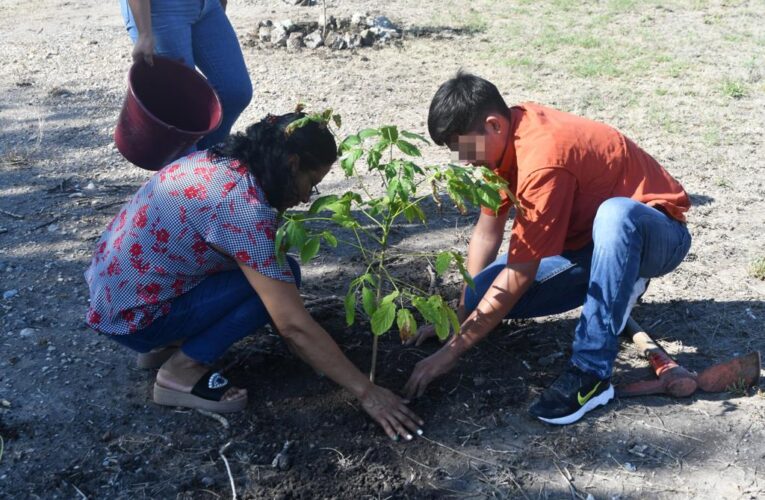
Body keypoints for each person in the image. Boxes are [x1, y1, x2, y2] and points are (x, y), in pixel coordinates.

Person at [85, 112, 424, 441]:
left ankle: (163, 344)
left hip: (117, 298)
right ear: (292, 164)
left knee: (266, 275)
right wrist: (366, 391)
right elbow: (292, 325)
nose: (307, 197)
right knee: (280, 279)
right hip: (137, 319)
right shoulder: (244, 208)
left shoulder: (218, 161)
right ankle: (179, 370)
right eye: (312, 183)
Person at [403, 71, 691, 425]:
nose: (464, 159)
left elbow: (520, 274)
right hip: (588, 245)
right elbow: (487, 232)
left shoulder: (543, 158)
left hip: (658, 234)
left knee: (615, 215)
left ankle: (591, 373)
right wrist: (459, 316)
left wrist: (451, 353)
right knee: (480, 297)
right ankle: (620, 284)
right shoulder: (500, 147)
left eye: (463, 146)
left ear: (493, 124)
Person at [119, 0, 252, 150]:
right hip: (159, 10)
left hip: (207, 6)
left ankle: (204, 159)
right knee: (179, 112)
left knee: (235, 91)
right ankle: (187, 167)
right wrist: (144, 34)